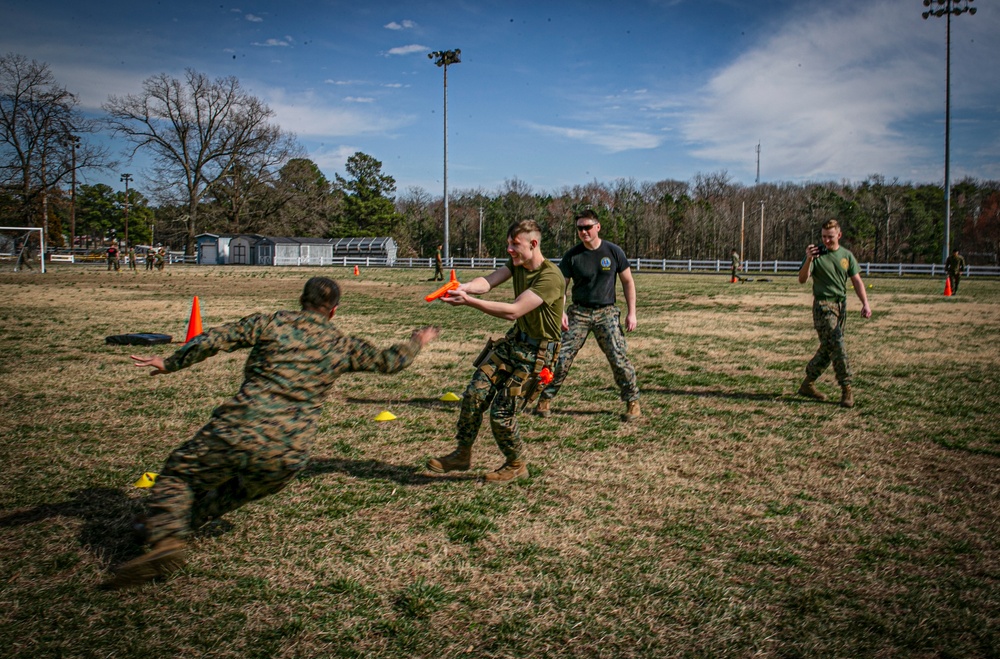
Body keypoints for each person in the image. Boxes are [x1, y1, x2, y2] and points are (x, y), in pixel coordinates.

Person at [105, 277, 439, 589]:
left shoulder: (271, 322)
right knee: (234, 492)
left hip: (238, 428)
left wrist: (170, 362)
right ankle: (170, 526)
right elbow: (390, 361)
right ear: (334, 310)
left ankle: (165, 540)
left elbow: (215, 337)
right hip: (288, 451)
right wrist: (416, 340)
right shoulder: (342, 344)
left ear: (300, 301)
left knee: (180, 473)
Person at [427, 219, 564, 483]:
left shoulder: (549, 277)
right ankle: (462, 453)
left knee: (502, 413)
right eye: (508, 244)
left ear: (533, 244)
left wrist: (468, 302)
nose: (510, 250)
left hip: (538, 355)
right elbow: (488, 282)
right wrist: (464, 287)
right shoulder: (517, 265)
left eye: (515, 245)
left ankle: (516, 464)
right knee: (473, 395)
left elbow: (513, 311)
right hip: (515, 344)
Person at [534, 209, 641, 422]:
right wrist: (561, 312)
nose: (584, 232)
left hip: (607, 312)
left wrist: (632, 313)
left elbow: (628, 282)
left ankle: (632, 401)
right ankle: (544, 398)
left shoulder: (613, 251)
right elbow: (560, 287)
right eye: (580, 228)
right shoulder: (572, 256)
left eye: (588, 227)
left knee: (618, 357)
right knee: (560, 358)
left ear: (597, 227)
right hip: (579, 313)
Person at [797, 219, 872, 408]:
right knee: (837, 344)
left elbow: (856, 281)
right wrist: (808, 259)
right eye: (823, 237)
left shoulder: (846, 255)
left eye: (830, 237)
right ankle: (846, 388)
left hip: (841, 306)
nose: (826, 241)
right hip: (823, 306)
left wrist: (865, 303)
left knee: (829, 348)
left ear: (839, 235)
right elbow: (802, 279)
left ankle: (807, 384)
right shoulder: (816, 255)